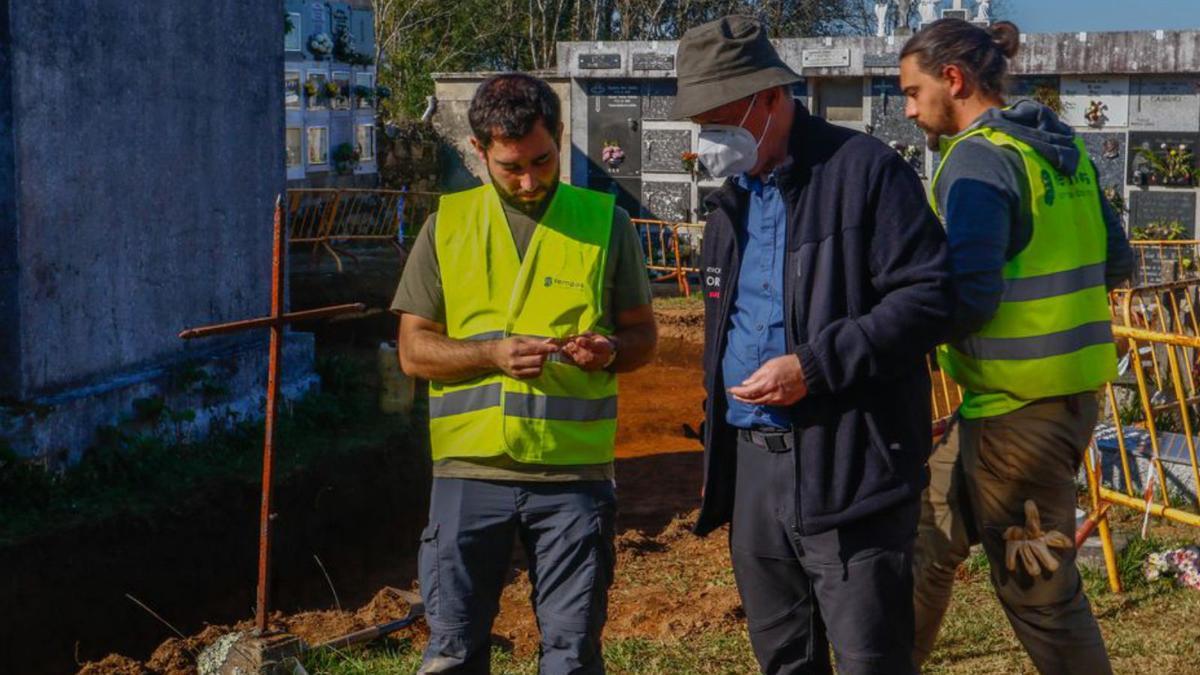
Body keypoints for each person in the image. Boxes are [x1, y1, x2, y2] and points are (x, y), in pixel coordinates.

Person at [675, 16, 954, 675]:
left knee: (870, 659)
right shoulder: (729, 206)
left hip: (849, 465)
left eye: (721, 120)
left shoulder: (865, 175)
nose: (708, 140)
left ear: (772, 98)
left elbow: (930, 297)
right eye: (701, 124)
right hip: (752, 473)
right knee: (785, 660)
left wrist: (815, 365)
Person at [392, 72, 657, 674]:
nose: (531, 180)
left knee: (571, 652)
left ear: (560, 137)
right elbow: (413, 352)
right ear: (480, 150)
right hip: (468, 477)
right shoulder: (447, 226)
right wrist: (491, 354)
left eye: (542, 161)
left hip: (573, 479)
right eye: (511, 166)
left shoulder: (605, 223)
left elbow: (644, 337)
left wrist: (611, 350)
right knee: (453, 652)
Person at [899, 19, 1132, 674]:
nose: (912, 110)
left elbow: (969, 293)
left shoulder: (976, 158)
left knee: (1039, 591)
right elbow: (1119, 259)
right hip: (1047, 402)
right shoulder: (1061, 152)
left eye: (914, 92)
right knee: (927, 540)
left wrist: (892, 339)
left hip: (1017, 414)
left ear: (954, 79)